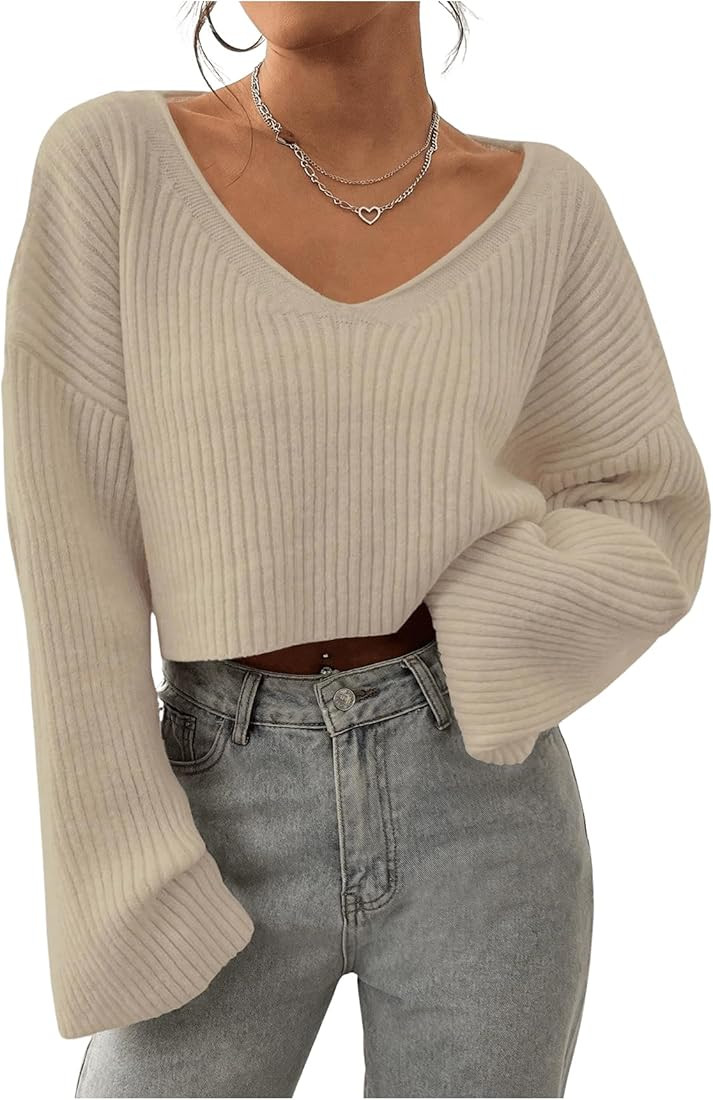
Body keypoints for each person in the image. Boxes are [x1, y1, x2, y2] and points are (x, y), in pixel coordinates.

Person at [2, 2, 709, 1097]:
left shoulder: (547, 207)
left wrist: (477, 617)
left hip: (480, 809)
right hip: (211, 804)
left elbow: (649, 503)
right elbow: (70, 568)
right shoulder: (116, 165)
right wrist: (120, 865)